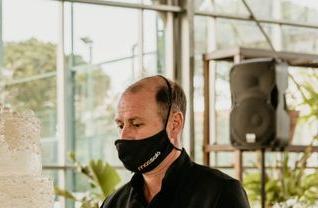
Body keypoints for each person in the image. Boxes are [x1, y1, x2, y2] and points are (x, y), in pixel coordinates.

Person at [101, 75, 250, 208]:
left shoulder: (220, 193)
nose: (124, 135)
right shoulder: (113, 203)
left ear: (174, 124)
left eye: (136, 124)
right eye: (120, 125)